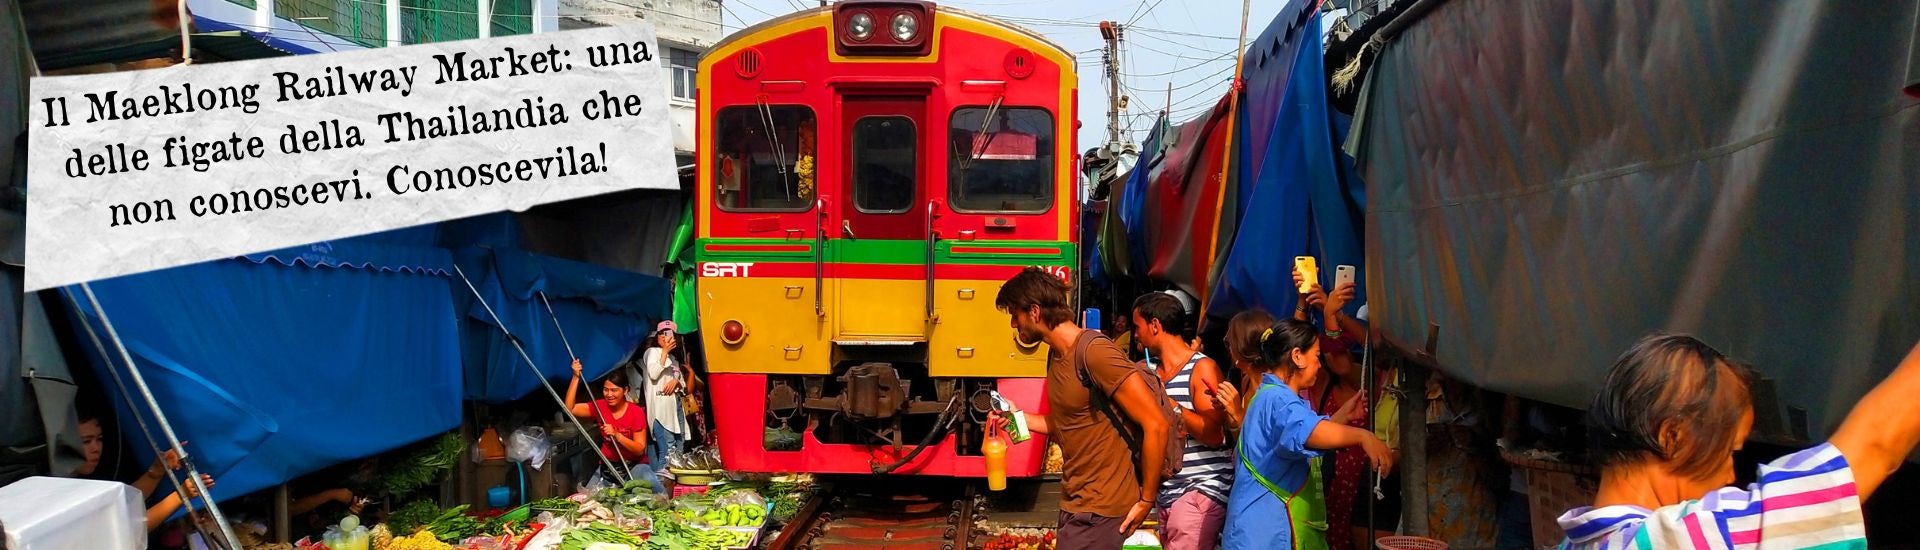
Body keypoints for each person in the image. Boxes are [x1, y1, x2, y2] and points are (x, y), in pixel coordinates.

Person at [1558, 334, 1920, 548]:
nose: (1732, 474)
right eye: (1731, 451)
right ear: (1672, 436)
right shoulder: (1682, 539)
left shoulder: (1573, 541)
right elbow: (1877, 442)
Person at [990, 267, 1171, 550]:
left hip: (1103, 508)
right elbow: (1067, 424)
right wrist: (1018, 418)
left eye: (1015, 314)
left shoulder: (1095, 352)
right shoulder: (1057, 355)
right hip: (1077, 502)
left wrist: (1147, 500)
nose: (1014, 323)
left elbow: (1156, 424)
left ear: (1035, 311)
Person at [1220, 319, 1393, 550]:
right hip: (1265, 535)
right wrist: (1364, 436)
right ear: (1297, 356)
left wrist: (1338, 419)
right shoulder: (1278, 399)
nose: (1320, 364)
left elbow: (1297, 434)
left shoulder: (1273, 396)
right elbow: (1306, 432)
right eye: (1316, 355)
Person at [1132, 292, 1232, 550]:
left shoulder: (1201, 368)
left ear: (1155, 325)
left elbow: (1214, 434)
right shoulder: (1150, 372)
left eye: (1137, 327)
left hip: (1198, 490)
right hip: (1167, 493)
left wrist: (1171, 406)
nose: (1135, 335)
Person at [70, 415, 216, 532]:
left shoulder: (80, 481)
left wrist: (157, 471)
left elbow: (123, 501)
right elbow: (126, 532)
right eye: (86, 441)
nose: (96, 448)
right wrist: (181, 495)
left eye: (99, 439)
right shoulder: (66, 492)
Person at [566, 359, 650, 475]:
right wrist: (575, 378)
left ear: (625, 390)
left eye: (614, 390)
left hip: (635, 465)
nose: (609, 395)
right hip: (609, 465)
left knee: (653, 487)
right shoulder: (599, 406)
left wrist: (617, 436)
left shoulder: (636, 412)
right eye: (606, 390)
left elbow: (640, 450)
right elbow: (570, 409)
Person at [629, 322, 689, 471]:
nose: (665, 337)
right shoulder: (652, 353)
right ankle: (663, 487)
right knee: (667, 449)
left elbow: (683, 385)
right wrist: (664, 351)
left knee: (679, 444)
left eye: (669, 334)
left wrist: (676, 381)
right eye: (662, 334)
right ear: (657, 336)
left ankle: (674, 480)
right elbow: (654, 373)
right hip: (660, 409)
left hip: (675, 405)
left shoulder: (674, 359)